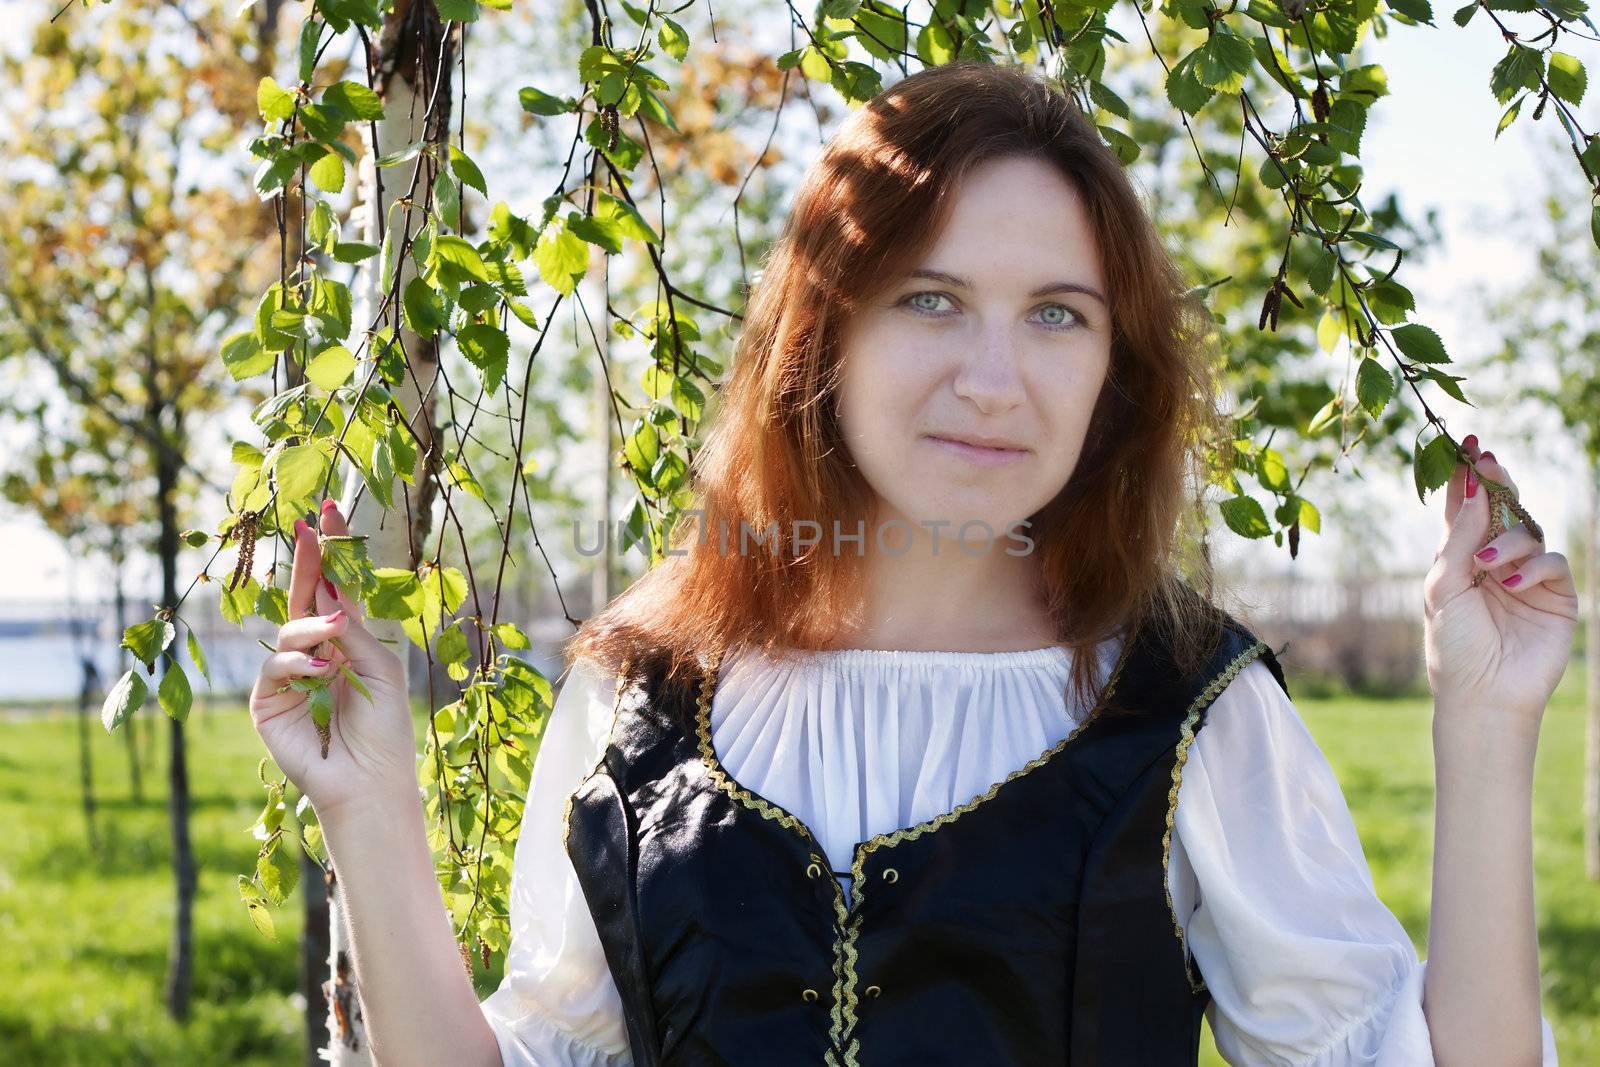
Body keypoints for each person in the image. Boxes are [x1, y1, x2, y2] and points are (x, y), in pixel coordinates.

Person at [249, 61, 1574, 1066]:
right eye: (930, 299)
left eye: (1057, 315)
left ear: (1113, 375)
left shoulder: (1181, 707)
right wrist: (367, 811)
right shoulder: (640, 700)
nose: (993, 381)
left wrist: (1488, 718)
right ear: (824, 339)